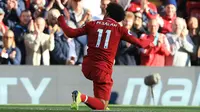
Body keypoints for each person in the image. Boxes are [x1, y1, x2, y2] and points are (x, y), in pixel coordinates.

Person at [57, 2, 153, 110]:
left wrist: (61, 21)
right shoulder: (120, 29)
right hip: (102, 69)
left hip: (87, 66)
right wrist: (152, 37)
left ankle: (93, 102)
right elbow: (141, 44)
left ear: (107, 13)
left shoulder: (92, 24)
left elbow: (70, 33)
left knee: (100, 103)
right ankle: (80, 97)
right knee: (103, 105)